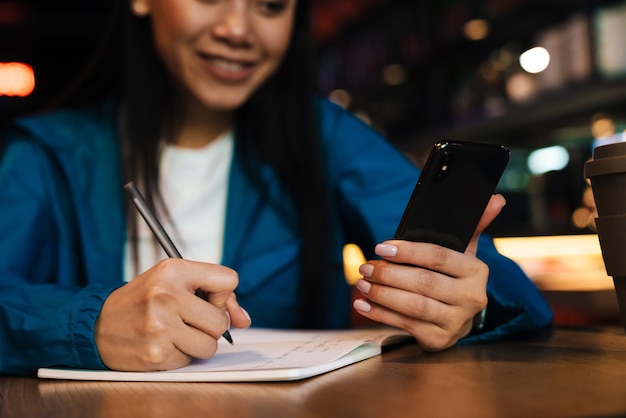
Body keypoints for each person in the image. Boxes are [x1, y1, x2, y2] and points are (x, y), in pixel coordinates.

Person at [0, 0, 552, 375]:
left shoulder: (325, 137)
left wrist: (461, 307)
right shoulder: (48, 153)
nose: (238, 30)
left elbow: (507, 293)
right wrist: (89, 324)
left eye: (270, 5)